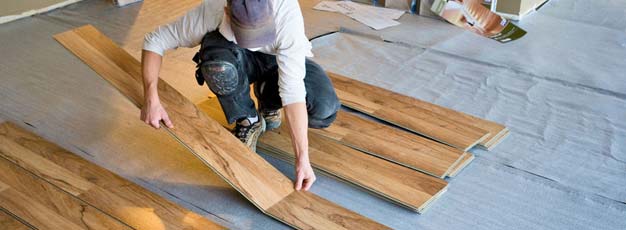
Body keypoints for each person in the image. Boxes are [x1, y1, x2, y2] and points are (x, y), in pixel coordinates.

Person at [140, 0, 341, 191]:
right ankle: (248, 119)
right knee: (217, 64)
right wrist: (151, 99)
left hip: (277, 62)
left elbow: (293, 92)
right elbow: (155, 40)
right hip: (238, 59)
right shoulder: (213, 9)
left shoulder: (286, 14)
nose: (255, 43)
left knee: (324, 108)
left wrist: (302, 159)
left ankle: (267, 97)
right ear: (227, 12)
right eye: (248, 35)